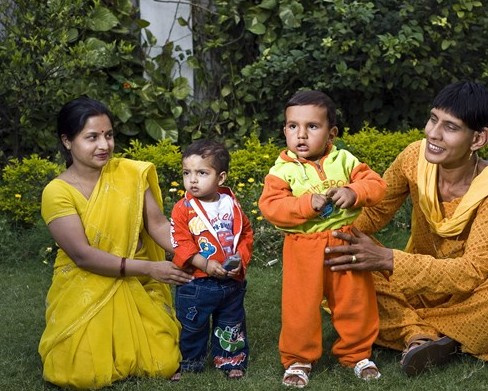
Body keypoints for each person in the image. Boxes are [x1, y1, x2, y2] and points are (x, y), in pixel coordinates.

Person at [324, 81, 488, 376]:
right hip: (417, 286)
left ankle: (411, 330)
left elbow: (472, 272)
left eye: (450, 127)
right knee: (347, 256)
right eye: (433, 119)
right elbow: (376, 212)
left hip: (473, 294)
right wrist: (332, 240)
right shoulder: (414, 159)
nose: (433, 133)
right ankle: (431, 335)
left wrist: (389, 259)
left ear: (478, 139)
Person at [39, 96, 193, 389]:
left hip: (136, 282)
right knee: (80, 374)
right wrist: (149, 268)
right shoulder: (57, 192)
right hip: (85, 281)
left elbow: (158, 224)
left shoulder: (130, 173)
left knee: (163, 363)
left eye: (108, 135)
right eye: (92, 137)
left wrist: (196, 253)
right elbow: (83, 256)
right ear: (67, 141)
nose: (104, 145)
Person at [258, 90, 387, 387]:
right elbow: (272, 207)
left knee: (355, 300)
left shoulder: (344, 160)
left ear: (331, 133)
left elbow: (376, 185)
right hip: (303, 249)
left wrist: (355, 192)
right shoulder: (282, 171)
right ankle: (298, 359)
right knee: (300, 306)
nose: (301, 135)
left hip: (345, 242)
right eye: (293, 126)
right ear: (285, 130)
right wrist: (306, 205)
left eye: (312, 127)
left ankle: (357, 354)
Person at [170, 139, 253, 379]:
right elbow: (180, 241)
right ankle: (189, 363)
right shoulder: (183, 208)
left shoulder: (231, 203)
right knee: (192, 325)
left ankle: (230, 360)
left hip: (230, 281)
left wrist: (241, 259)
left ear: (221, 177)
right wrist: (204, 263)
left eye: (202, 173)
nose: (192, 180)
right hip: (197, 282)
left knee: (231, 323)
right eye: (187, 173)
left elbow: (246, 232)